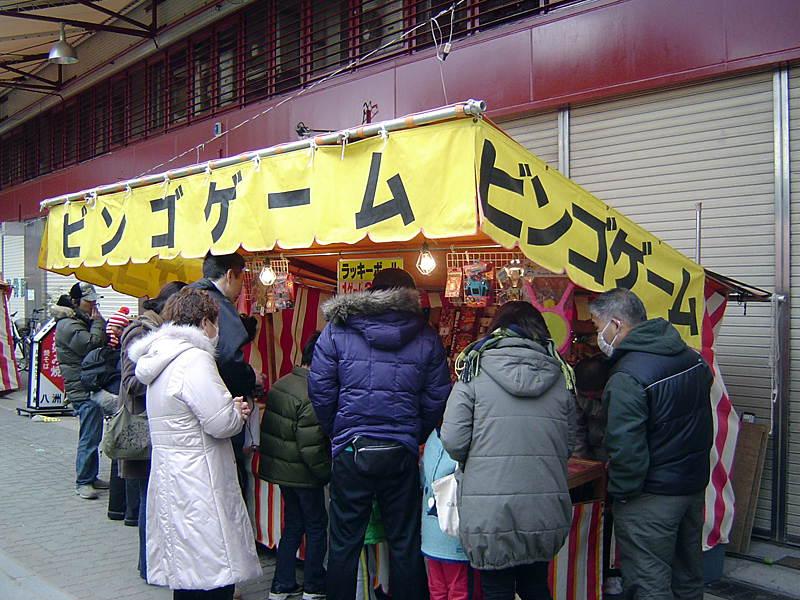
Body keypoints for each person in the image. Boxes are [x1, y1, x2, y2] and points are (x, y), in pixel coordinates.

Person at [308, 267, 451, 600]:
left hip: (350, 450)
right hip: (400, 451)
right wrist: (414, 434)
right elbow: (436, 397)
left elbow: (320, 389)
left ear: (371, 291)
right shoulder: (426, 335)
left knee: (343, 543)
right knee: (404, 542)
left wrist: (338, 431)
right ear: (411, 296)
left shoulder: (337, 330)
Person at [129, 287, 262, 599]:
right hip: (200, 479)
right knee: (212, 572)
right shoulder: (195, 359)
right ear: (205, 323)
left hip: (171, 475)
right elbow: (219, 422)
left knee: (186, 572)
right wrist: (236, 412)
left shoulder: (159, 359)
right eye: (215, 322)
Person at [440, 301, 575, 600]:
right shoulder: (561, 379)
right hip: (545, 506)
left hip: (489, 508)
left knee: (496, 590)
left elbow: (452, 439)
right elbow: (567, 445)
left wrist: (478, 462)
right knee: (536, 586)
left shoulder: (473, 372)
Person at [588, 288, 713, 600]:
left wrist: (623, 494)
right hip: (692, 486)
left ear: (615, 325)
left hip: (651, 496)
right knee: (688, 576)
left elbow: (625, 447)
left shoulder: (628, 375)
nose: (596, 335)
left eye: (595, 326)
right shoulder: (690, 357)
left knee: (649, 583)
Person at [118, 280, 187, 580]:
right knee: (150, 499)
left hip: (154, 427)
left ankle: (154, 565)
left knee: (155, 499)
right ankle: (149, 567)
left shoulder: (154, 330)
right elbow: (129, 381)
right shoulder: (140, 331)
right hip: (142, 430)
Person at [258, 332, 329, 600]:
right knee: (316, 525)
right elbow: (310, 446)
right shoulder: (312, 392)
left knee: (293, 524)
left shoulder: (282, 383)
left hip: (283, 472)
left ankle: (282, 584)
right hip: (304, 473)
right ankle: (313, 585)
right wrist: (326, 473)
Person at [190, 252, 266, 498]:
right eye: (242, 280)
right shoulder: (219, 304)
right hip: (218, 410)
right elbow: (228, 361)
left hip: (189, 415)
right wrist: (250, 378)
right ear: (230, 275)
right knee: (228, 484)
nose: (241, 289)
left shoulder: (186, 297)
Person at [52, 282, 109, 500]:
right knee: (89, 435)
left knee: (93, 433)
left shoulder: (79, 320)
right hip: (81, 389)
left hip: (89, 385)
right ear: (75, 302)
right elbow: (90, 345)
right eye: (88, 301)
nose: (93, 305)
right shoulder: (68, 324)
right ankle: (83, 481)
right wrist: (97, 323)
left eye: (95, 301)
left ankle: (90, 477)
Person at [421, 428, 482, 600]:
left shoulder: (432, 439)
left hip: (430, 535)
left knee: (437, 589)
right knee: (460, 590)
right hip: (455, 537)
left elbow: (422, 478)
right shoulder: (467, 440)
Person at [572, 355, 610, 462]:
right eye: (585, 396)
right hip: (592, 450)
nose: (589, 398)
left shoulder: (618, 391)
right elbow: (576, 429)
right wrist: (577, 464)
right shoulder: (576, 395)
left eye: (593, 396)